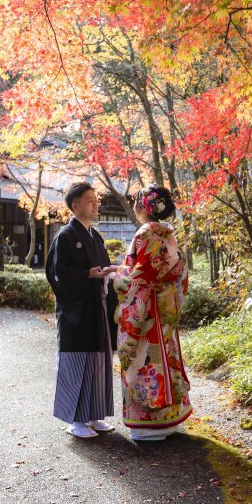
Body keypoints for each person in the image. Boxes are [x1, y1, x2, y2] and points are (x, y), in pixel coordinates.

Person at [113, 184, 192, 441]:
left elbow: (138, 276)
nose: (134, 206)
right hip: (164, 310)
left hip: (146, 312)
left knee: (143, 361)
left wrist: (116, 275)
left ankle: (147, 426)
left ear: (143, 206)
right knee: (164, 359)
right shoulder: (168, 233)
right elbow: (180, 275)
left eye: (136, 202)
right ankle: (169, 420)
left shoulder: (145, 233)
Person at [45, 182, 117, 439]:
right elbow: (56, 273)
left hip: (96, 307)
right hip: (75, 311)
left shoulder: (95, 236)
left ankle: (95, 415)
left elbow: (102, 268)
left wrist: (109, 272)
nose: (96, 204)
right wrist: (87, 274)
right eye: (90, 200)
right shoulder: (65, 236)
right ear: (75, 206)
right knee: (77, 363)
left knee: (98, 362)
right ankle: (76, 420)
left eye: (96, 200)